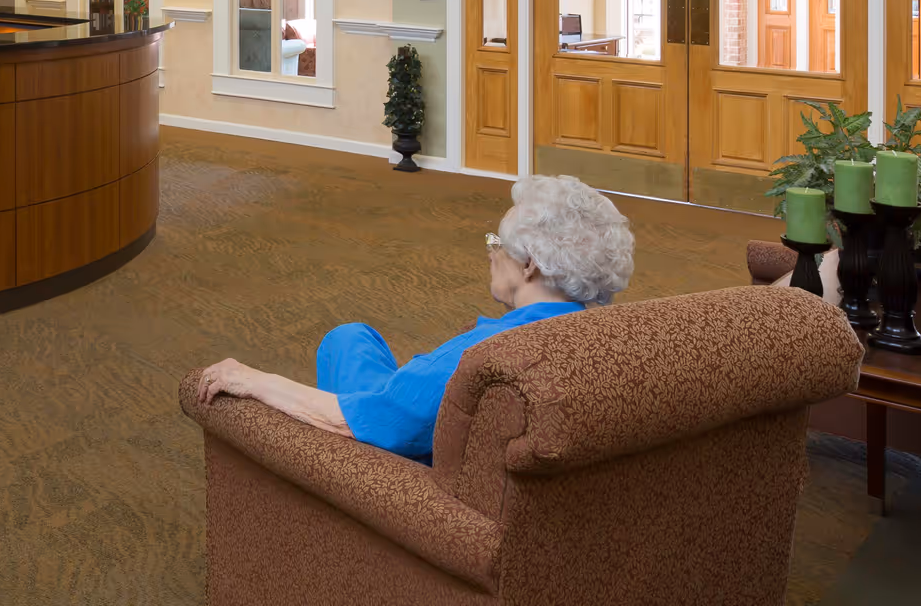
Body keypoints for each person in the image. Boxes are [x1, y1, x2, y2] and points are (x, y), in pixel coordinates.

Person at [196, 174, 635, 462]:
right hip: (426, 419)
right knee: (351, 337)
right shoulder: (603, 338)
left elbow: (355, 421)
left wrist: (249, 379)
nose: (489, 250)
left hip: (400, 467)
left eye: (496, 240)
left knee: (341, 347)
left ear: (530, 265)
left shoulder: (483, 359)